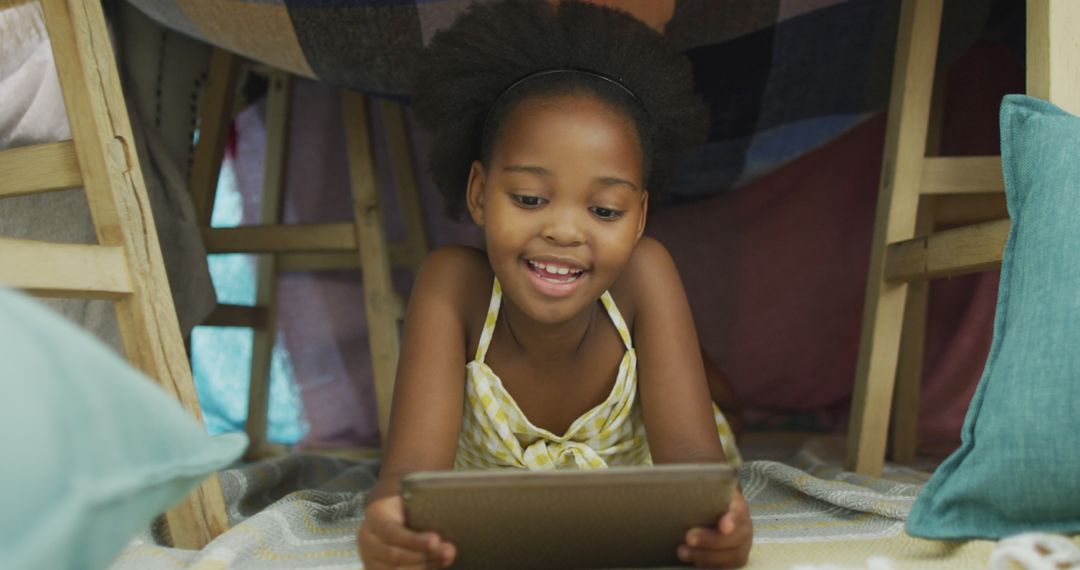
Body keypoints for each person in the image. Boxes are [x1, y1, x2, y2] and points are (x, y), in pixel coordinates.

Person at [357, 1, 752, 568]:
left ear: (639, 217)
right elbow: (405, 477)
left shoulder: (646, 272)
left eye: (605, 210)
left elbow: (695, 465)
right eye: (529, 199)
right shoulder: (452, 286)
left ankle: (714, 386)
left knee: (723, 413)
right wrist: (388, 526)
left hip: (661, 420)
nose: (564, 230)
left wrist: (725, 522)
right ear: (478, 193)